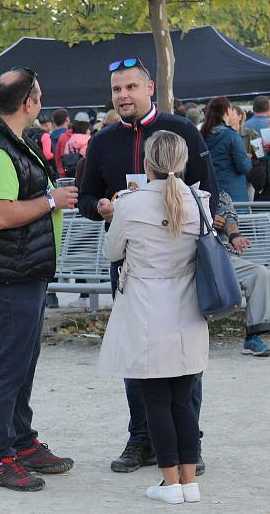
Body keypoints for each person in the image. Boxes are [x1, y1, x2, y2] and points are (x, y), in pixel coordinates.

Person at [79, 57, 216, 475]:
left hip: (182, 270)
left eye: (130, 88)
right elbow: (86, 199)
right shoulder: (102, 142)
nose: (123, 96)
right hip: (130, 271)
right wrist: (100, 208)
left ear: (149, 87)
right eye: (117, 90)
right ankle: (142, 438)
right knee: (137, 357)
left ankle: (187, 442)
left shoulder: (183, 130)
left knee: (182, 357)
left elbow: (208, 189)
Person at [0, 68, 76, 492]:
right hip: (8, 274)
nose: (43, 101)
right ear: (28, 102)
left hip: (22, 270)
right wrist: (50, 199)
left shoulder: (8, 140)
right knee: (8, 367)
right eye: (40, 94)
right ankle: (1, 457)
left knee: (21, 364)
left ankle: (22, 442)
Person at [100, 130, 208, 505]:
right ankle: (190, 481)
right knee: (183, 399)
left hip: (146, 307)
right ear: (182, 162)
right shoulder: (198, 201)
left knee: (155, 401)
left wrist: (112, 216)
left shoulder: (131, 204)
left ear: (147, 163)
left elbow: (112, 252)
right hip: (188, 307)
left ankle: (169, 482)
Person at [212, 190, 270, 356]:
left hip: (222, 256)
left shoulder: (219, 194)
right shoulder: (178, 192)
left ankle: (253, 336)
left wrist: (234, 234)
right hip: (190, 259)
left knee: (260, 273)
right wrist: (204, 220)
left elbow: (230, 217)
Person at [201, 97, 252, 202]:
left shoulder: (201, 136)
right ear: (228, 111)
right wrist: (248, 159)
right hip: (233, 195)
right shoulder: (232, 136)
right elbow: (244, 167)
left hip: (209, 193)